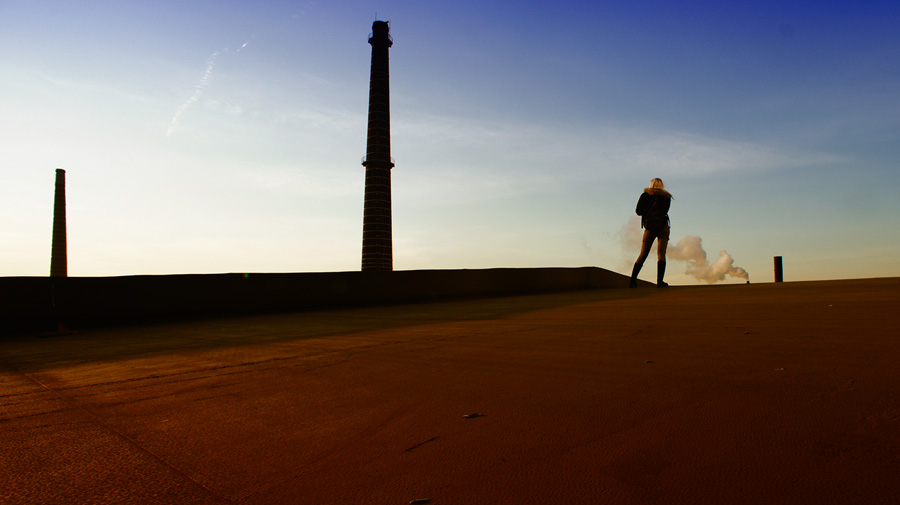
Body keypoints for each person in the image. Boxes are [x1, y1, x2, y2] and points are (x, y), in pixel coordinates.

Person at [630, 178, 673, 288]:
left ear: (651, 185)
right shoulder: (666, 196)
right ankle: (660, 282)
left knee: (643, 253)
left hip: (650, 227)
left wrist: (647, 211)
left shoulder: (645, 195)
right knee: (661, 254)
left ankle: (632, 281)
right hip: (663, 226)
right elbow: (664, 211)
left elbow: (638, 211)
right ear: (662, 185)